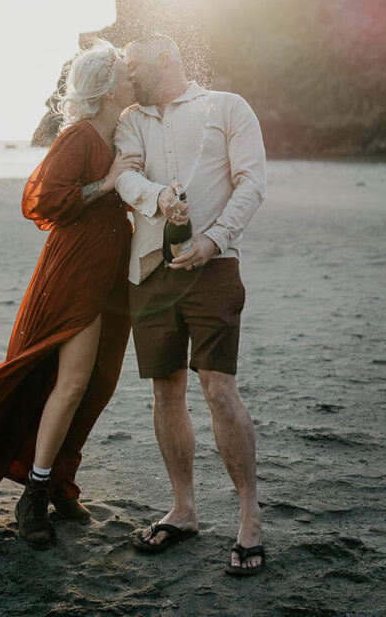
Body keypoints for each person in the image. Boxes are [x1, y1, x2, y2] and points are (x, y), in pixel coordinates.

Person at [0, 42, 141, 548]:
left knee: (98, 384)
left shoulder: (121, 131)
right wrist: (108, 183)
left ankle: (58, 481)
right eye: (126, 74)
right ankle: (36, 495)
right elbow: (43, 201)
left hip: (110, 270)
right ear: (109, 87)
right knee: (70, 384)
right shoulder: (79, 135)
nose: (133, 79)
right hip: (76, 273)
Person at [114, 35, 267, 576]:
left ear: (167, 61)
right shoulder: (131, 119)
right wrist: (156, 196)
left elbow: (252, 182)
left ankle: (249, 519)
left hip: (215, 267)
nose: (126, 76)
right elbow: (123, 174)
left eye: (134, 67)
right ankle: (183, 510)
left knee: (219, 390)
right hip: (149, 274)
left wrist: (214, 238)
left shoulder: (227, 107)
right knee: (166, 390)